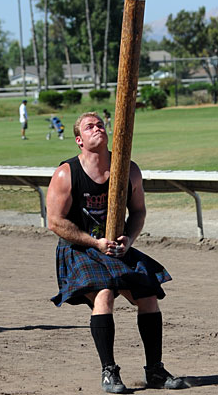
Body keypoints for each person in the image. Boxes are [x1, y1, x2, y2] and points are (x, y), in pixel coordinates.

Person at [46, 112, 185, 393]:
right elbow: (55, 221)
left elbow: (138, 211)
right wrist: (94, 242)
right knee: (104, 292)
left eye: (100, 124)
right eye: (89, 127)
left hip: (116, 247)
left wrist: (129, 240)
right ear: (79, 140)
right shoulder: (66, 173)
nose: (97, 128)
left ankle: (155, 371)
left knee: (148, 296)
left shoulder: (128, 169)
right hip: (80, 248)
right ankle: (109, 372)